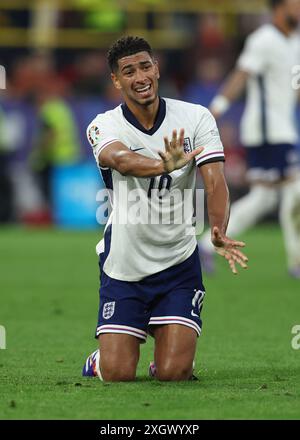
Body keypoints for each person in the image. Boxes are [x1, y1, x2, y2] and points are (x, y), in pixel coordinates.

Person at [82, 36, 248, 382]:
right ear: (116, 80)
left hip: (177, 261)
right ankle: (102, 358)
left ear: (156, 68)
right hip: (124, 264)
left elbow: (215, 181)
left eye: (145, 66)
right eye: (129, 71)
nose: (140, 77)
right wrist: (163, 165)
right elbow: (120, 159)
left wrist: (218, 229)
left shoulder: (196, 117)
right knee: (117, 374)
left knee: (174, 374)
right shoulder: (103, 124)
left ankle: (169, 354)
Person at [199, 0, 300, 278]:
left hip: (284, 129)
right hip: (268, 132)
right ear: (280, 7)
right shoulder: (263, 39)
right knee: (295, 191)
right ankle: (297, 262)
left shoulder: (296, 42)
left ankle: (206, 245)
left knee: (265, 198)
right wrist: (216, 109)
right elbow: (241, 75)